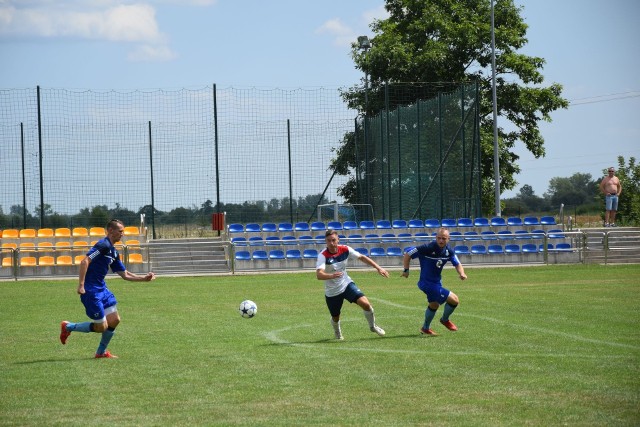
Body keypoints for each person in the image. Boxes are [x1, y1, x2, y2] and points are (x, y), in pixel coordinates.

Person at [59, 219, 156, 358]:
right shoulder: (103, 245)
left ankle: (101, 352)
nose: (122, 234)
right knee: (102, 327)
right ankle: (68, 327)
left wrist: (143, 278)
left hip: (102, 289)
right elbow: (84, 261)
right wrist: (81, 285)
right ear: (111, 230)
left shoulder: (114, 252)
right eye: (120, 231)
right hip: (91, 291)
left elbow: (125, 274)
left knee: (115, 320)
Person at [316, 229, 389, 340]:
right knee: (335, 317)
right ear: (326, 241)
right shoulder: (323, 256)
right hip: (332, 291)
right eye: (328, 241)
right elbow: (319, 275)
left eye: (333, 240)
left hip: (346, 284)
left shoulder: (345, 249)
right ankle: (337, 332)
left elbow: (362, 257)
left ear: (338, 240)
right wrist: (331, 276)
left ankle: (373, 326)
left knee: (365, 304)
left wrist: (378, 268)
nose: (331, 243)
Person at [401, 227, 467, 336]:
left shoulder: (449, 251)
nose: (441, 241)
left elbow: (457, 263)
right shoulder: (427, 247)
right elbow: (408, 254)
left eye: (444, 238)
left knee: (434, 304)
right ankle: (445, 320)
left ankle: (425, 328)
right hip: (426, 283)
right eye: (439, 238)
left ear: (448, 239)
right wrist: (406, 270)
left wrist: (462, 273)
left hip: (436, 283)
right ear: (436, 238)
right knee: (454, 300)